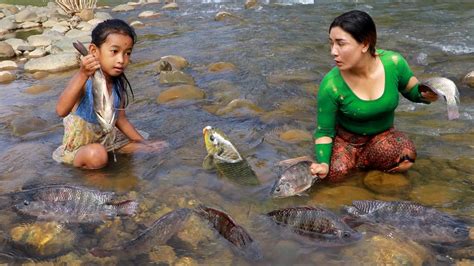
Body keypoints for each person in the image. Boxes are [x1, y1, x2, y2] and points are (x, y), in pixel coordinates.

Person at [309, 10, 439, 181]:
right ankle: (357, 169)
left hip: (381, 137)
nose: (333, 51)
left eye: (341, 43)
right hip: (347, 142)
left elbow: (413, 91)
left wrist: (427, 95)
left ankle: (370, 175)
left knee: (406, 156)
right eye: (331, 43)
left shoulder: (394, 63)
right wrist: (323, 164)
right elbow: (324, 131)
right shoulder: (331, 85)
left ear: (364, 44)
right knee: (332, 176)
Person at [53, 19, 167, 169]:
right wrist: (82, 74)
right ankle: (103, 187)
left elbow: (121, 119)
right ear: (94, 51)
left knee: (159, 146)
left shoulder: (119, 84)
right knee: (97, 155)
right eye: (114, 51)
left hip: (108, 140)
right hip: (81, 148)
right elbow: (61, 111)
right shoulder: (84, 80)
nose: (121, 60)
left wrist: (145, 144)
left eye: (127, 53)